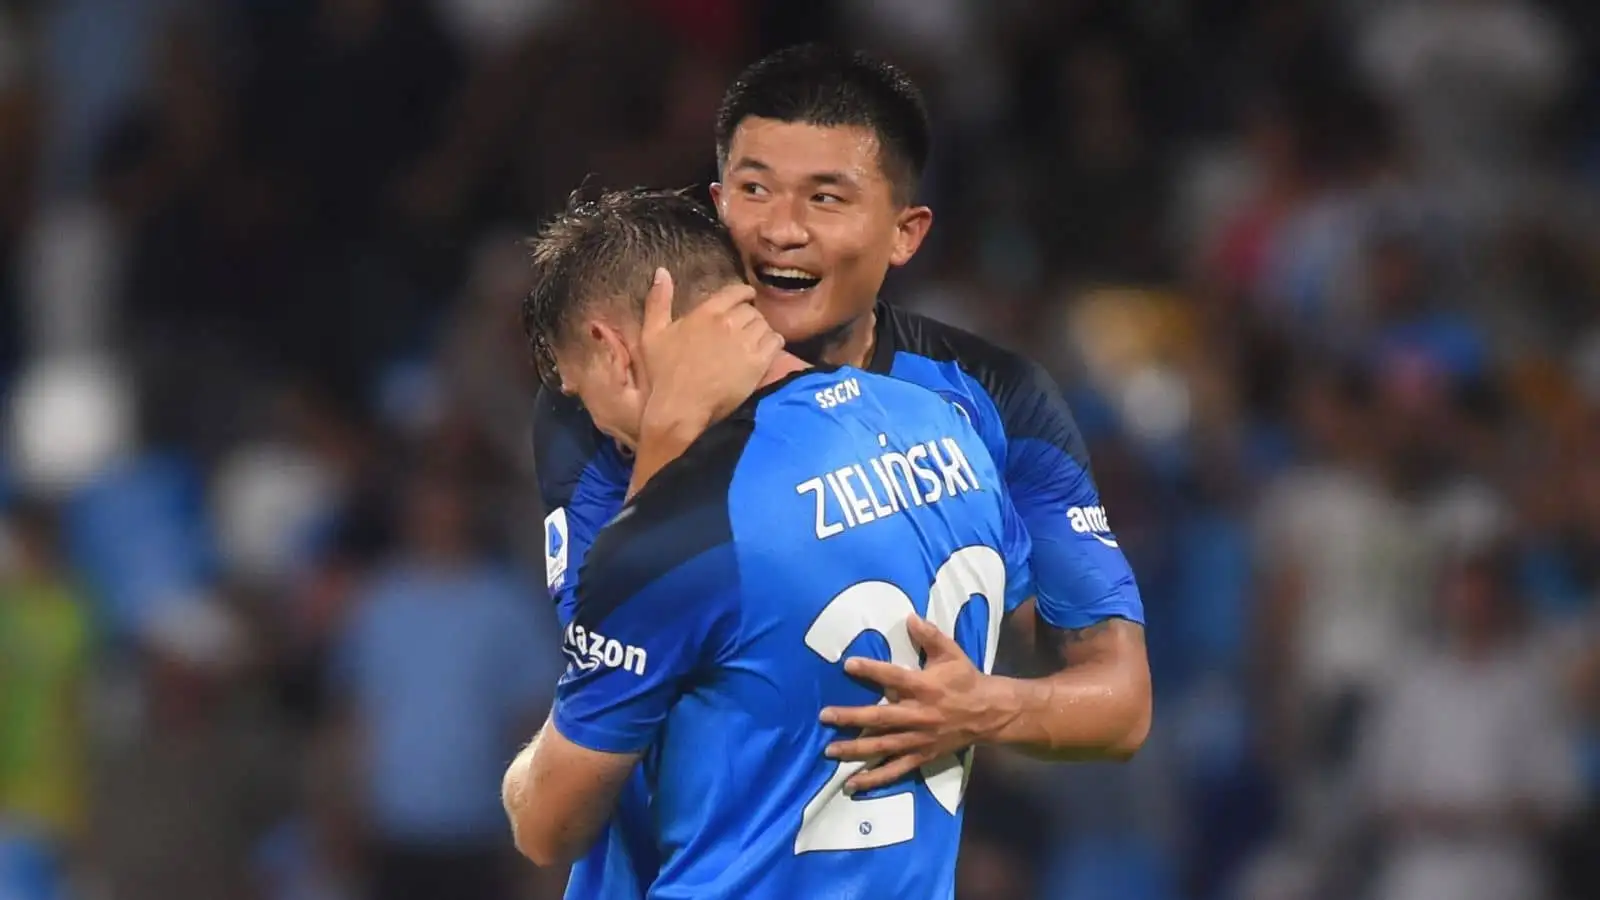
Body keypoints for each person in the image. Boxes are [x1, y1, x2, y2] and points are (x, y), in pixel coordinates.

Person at [531, 45, 1151, 898]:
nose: (780, 229)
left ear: (907, 231)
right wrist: (674, 430)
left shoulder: (988, 399)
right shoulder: (602, 403)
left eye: (826, 197)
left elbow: (1120, 698)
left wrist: (987, 708)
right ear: (715, 202)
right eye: (752, 190)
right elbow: (612, 679)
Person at [502, 187, 1035, 898]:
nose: (601, 431)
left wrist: (663, 451)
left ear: (610, 349)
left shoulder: (682, 530)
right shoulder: (947, 420)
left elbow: (548, 826)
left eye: (583, 393)